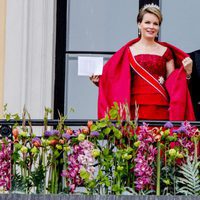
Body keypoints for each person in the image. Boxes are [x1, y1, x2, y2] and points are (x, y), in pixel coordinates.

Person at [90, 3, 195, 121]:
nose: (151, 27)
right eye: (147, 22)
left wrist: (187, 73)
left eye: (156, 24)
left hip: (161, 109)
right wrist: (100, 82)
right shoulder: (128, 51)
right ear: (139, 24)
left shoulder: (166, 51)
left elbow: (173, 84)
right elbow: (117, 79)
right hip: (135, 110)